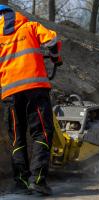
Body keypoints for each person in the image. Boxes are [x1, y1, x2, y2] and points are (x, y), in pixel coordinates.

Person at [0, 4, 62, 195]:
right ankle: (38, 180)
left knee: (17, 137)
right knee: (41, 133)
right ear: (14, 15)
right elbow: (52, 40)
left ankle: (20, 182)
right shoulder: (30, 27)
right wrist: (55, 57)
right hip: (35, 90)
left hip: (9, 93)